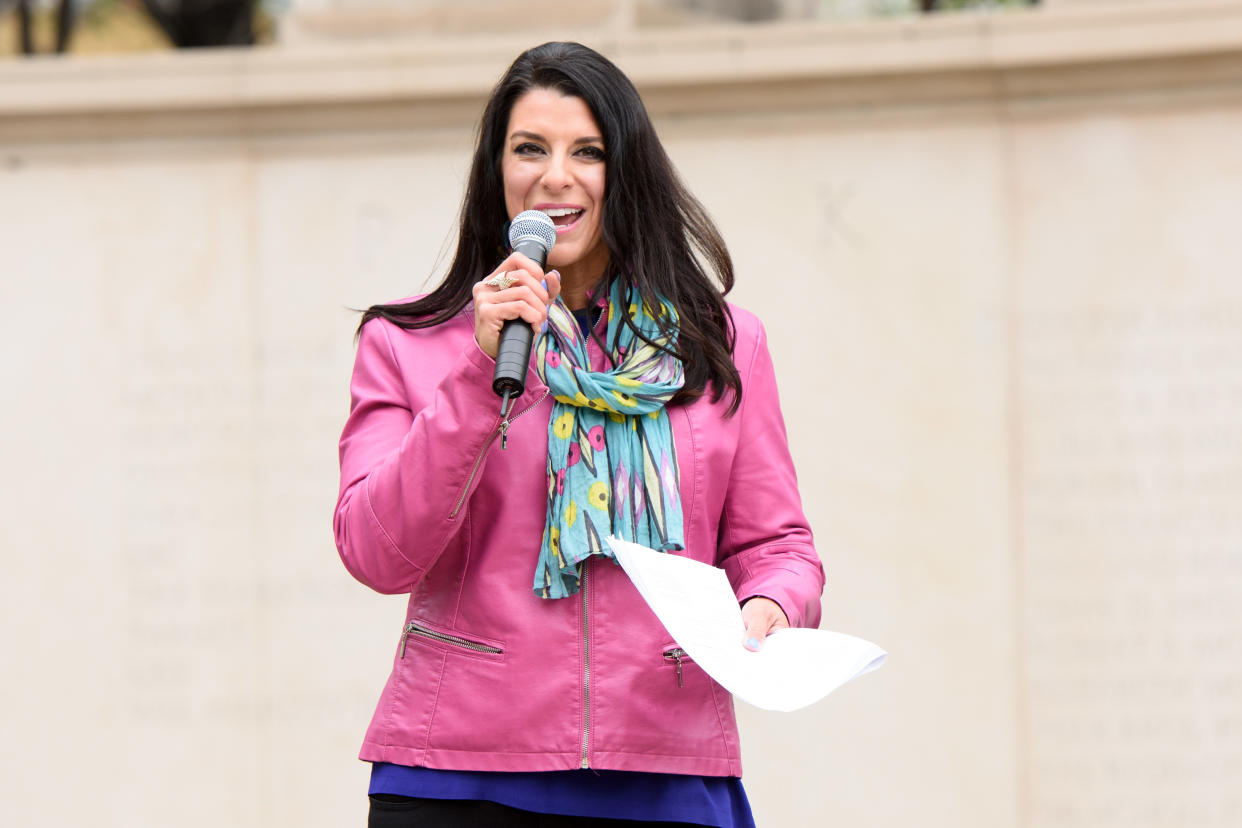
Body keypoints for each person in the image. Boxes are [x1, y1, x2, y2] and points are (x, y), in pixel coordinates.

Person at [334, 41, 825, 828]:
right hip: (460, 778)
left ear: (624, 173)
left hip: (665, 769)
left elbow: (779, 546)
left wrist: (771, 604)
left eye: (587, 152)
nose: (555, 176)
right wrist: (478, 374)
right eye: (530, 148)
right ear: (496, 172)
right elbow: (376, 551)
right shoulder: (408, 344)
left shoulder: (722, 345)